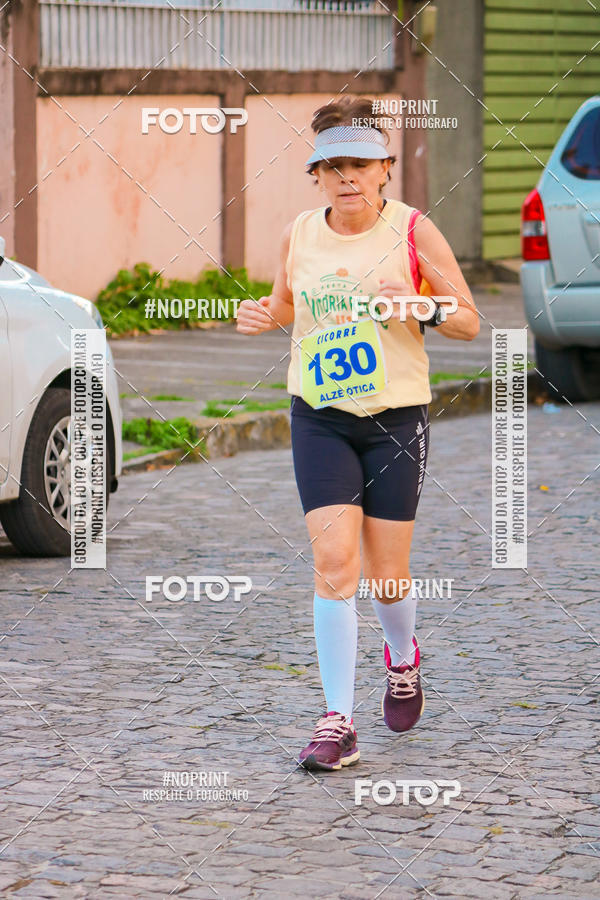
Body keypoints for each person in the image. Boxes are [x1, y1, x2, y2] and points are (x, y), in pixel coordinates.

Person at [236, 96, 479, 772]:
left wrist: (421, 304)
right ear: (316, 174)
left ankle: (402, 658)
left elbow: (468, 321)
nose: (347, 177)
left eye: (361, 165)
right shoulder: (300, 234)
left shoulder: (412, 231)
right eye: (333, 165)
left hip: (395, 420)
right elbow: (287, 304)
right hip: (320, 416)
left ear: (384, 170)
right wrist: (263, 314)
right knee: (335, 564)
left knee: (387, 575)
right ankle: (337, 722)